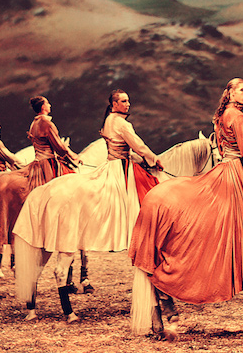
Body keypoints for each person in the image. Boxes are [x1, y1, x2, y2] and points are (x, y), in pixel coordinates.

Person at [129, 78, 243, 321]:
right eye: (242, 90)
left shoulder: (220, 117)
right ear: (229, 93)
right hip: (236, 173)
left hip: (223, 166)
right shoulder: (237, 117)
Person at [12, 89, 163, 320]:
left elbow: (126, 150)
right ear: (114, 104)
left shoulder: (109, 121)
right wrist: (154, 159)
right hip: (117, 171)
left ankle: (36, 304)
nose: (128, 104)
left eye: (128, 100)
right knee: (143, 199)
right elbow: (138, 146)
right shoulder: (122, 123)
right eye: (123, 101)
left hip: (112, 164)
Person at [0, 96, 80, 299]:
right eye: (48, 103)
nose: (50, 105)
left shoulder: (34, 123)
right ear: (43, 107)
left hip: (23, 164)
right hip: (47, 166)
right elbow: (58, 146)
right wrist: (72, 155)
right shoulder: (45, 122)